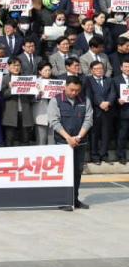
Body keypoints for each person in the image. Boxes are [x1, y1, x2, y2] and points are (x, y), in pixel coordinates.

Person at [48, 76, 92, 210]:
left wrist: (78, 136)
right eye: (71, 90)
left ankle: (75, 199)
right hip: (63, 143)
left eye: (77, 90)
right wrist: (68, 138)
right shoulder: (56, 100)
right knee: (65, 172)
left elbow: (88, 120)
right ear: (65, 87)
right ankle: (64, 200)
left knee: (77, 171)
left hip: (80, 142)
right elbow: (54, 121)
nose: (74, 93)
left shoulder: (85, 100)